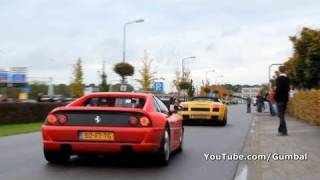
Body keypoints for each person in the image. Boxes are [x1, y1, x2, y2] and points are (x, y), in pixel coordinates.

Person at [275, 66, 290, 136]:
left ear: (279, 71)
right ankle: (280, 129)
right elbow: (288, 89)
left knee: (280, 115)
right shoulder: (287, 79)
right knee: (282, 115)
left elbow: (278, 89)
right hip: (285, 99)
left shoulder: (278, 79)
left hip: (279, 99)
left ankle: (284, 131)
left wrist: (275, 96)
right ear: (285, 70)